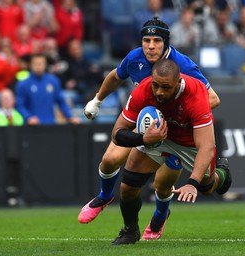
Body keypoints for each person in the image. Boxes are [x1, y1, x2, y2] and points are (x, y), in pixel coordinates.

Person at [77, 17, 221, 224]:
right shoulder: (135, 58)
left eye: (156, 41)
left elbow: (214, 99)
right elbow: (116, 77)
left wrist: (178, 115)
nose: (150, 46)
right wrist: (97, 100)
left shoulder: (181, 66)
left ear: (166, 44)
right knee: (109, 160)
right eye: (146, 41)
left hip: (176, 132)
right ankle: (105, 196)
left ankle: (161, 214)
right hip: (146, 123)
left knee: (163, 186)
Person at [109, 59, 231, 245]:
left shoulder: (195, 94)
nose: (159, 92)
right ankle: (130, 230)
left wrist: (192, 183)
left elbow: (206, 146)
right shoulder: (143, 90)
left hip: (189, 142)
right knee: (128, 186)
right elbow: (117, 134)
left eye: (166, 87)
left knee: (207, 186)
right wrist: (143, 139)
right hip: (158, 137)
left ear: (178, 81)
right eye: (155, 85)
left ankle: (223, 173)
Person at [15, 53, 80, 125]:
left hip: (50, 125)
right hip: (31, 127)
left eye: (41, 63)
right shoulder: (23, 84)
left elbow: (61, 101)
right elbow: (20, 105)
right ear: (31, 65)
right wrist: (29, 117)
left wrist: (70, 117)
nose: (38, 66)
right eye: (36, 64)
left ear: (45, 65)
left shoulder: (53, 81)